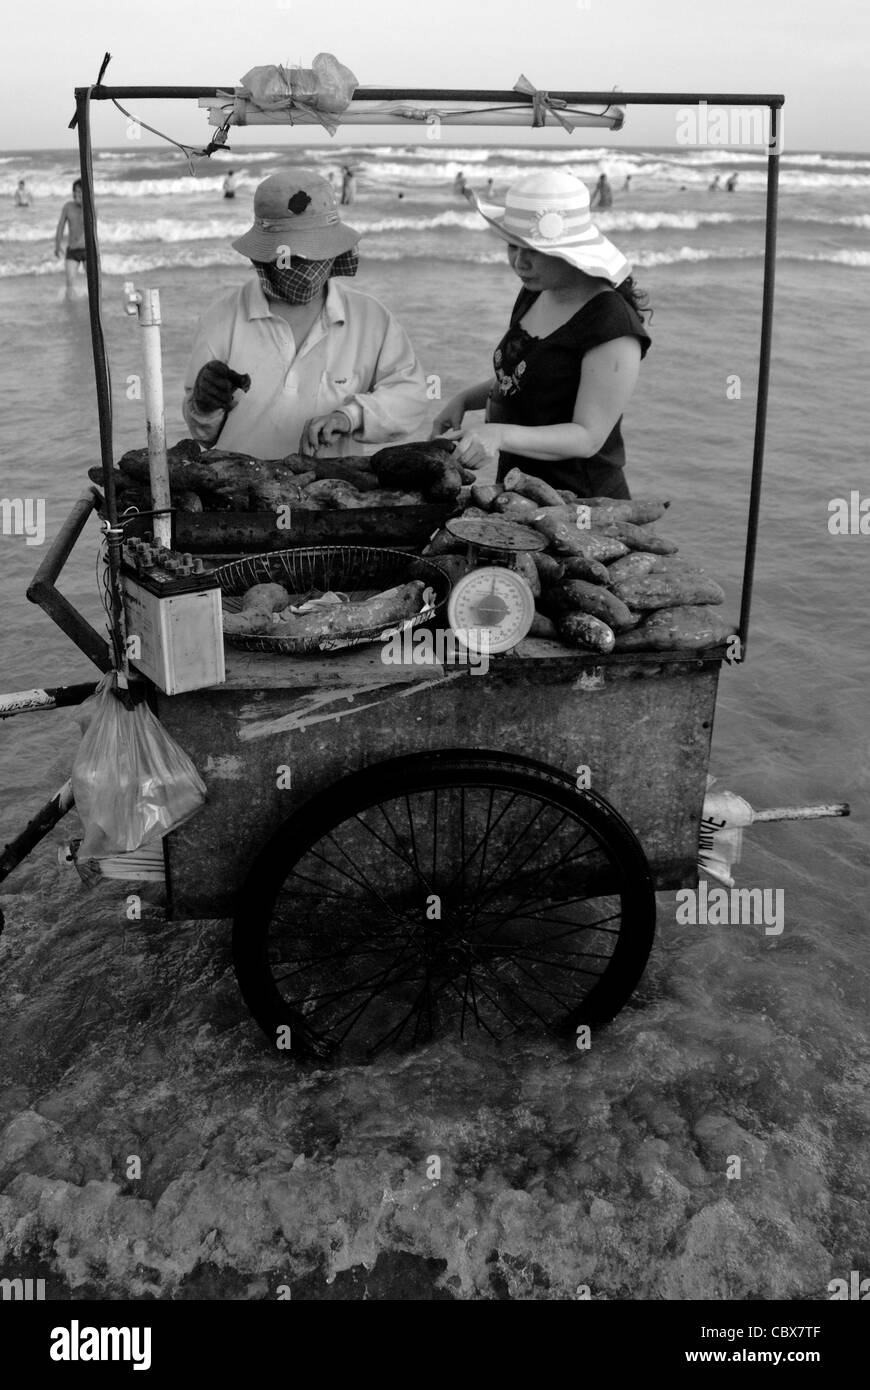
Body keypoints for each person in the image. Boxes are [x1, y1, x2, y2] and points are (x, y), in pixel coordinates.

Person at [430, 170, 651, 500]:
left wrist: (499, 434)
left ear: (571, 250)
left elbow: (587, 437)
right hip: (518, 493)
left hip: (579, 502)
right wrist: (466, 399)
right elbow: (530, 378)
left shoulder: (612, 325)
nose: (520, 262)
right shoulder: (536, 291)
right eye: (512, 247)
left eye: (534, 250)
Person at [182, 171, 428, 459]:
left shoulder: (371, 320)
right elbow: (203, 435)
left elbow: (410, 396)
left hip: (333, 493)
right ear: (266, 257)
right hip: (240, 495)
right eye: (292, 257)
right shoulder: (221, 319)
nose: (305, 265)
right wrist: (204, 406)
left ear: (334, 252)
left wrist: (348, 416)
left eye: (314, 253)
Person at [54, 179, 86, 294]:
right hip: (72, 250)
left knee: (93, 283)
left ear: (86, 192)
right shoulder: (68, 207)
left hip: (87, 250)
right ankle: (71, 308)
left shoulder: (90, 207)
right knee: (70, 284)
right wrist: (57, 245)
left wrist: (84, 204)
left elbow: (91, 229)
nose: (76, 194)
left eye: (80, 191)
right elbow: (60, 226)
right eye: (75, 191)